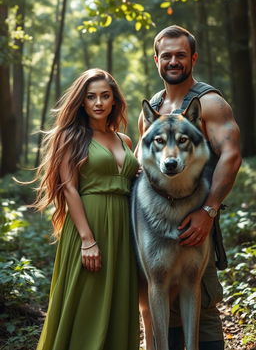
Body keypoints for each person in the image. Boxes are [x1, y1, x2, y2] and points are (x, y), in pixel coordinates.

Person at [136, 25, 242, 350]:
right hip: (156, 225)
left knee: (203, 301)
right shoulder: (152, 108)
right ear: (156, 59)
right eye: (166, 55)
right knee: (163, 305)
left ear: (193, 58)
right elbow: (143, 165)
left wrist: (208, 211)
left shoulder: (209, 102)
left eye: (180, 55)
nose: (173, 61)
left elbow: (231, 155)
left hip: (197, 219)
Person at [33, 68, 140, 350]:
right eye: (91, 97)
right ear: (81, 101)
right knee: (87, 302)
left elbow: (130, 180)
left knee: (118, 300)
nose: (98, 103)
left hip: (122, 230)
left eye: (105, 96)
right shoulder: (71, 137)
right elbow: (69, 189)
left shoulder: (125, 141)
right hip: (89, 226)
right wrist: (87, 240)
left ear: (114, 100)